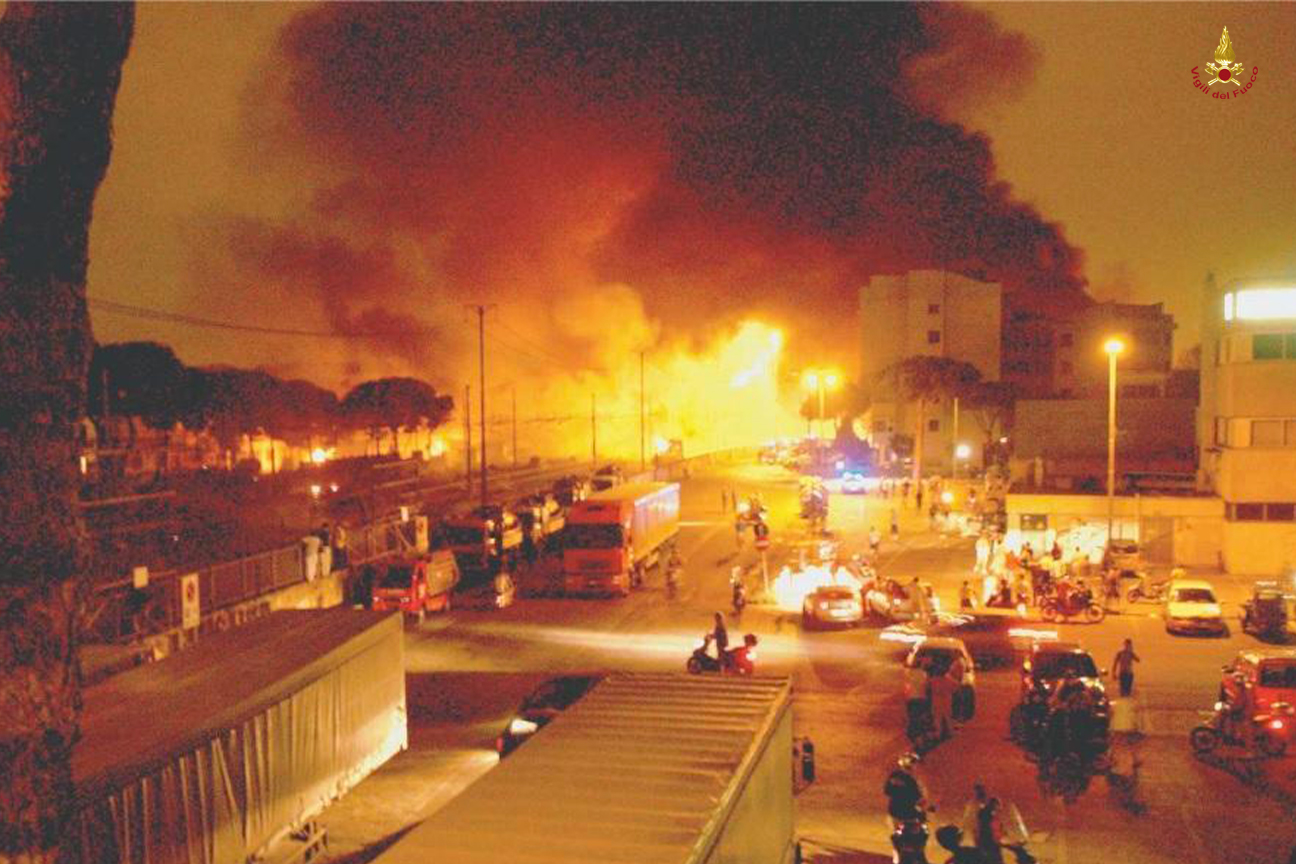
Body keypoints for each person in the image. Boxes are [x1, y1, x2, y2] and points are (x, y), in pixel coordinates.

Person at [927, 665, 957, 740]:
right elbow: (955, 687)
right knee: (948, 717)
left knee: (937, 719)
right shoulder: (949, 680)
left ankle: (938, 733)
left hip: (936, 701)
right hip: (947, 701)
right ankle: (950, 732)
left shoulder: (933, 680)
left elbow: (928, 688)